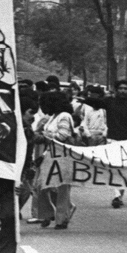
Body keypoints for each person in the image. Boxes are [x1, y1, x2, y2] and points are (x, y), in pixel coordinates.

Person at [35, 90, 76, 230]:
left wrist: (43, 135)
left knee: (61, 187)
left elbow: (62, 135)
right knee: (43, 185)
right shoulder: (54, 116)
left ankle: (62, 218)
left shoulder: (65, 116)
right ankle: (50, 213)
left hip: (62, 156)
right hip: (50, 155)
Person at [101, 80, 127, 208]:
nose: (123, 91)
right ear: (116, 90)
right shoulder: (109, 103)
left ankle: (119, 195)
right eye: (120, 88)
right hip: (112, 139)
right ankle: (116, 195)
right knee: (114, 168)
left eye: (125, 88)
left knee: (124, 169)